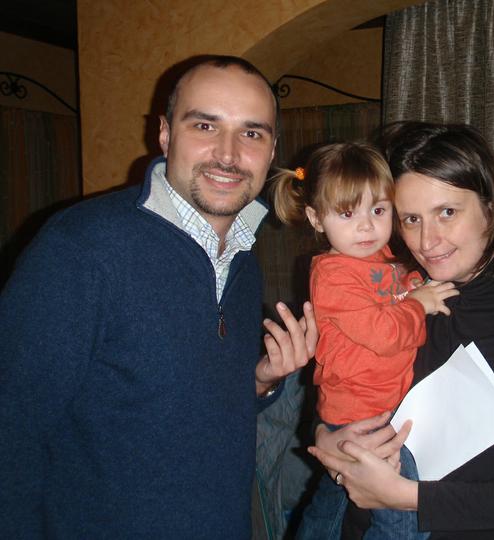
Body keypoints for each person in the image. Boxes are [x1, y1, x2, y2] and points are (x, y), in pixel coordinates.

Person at [0, 55, 317, 539]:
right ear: (166, 135)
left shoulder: (243, 259)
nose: (228, 154)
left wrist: (258, 382)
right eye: (205, 125)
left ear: (272, 150)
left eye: (251, 133)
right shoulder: (82, 249)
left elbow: (181, 412)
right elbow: (12, 432)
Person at [309, 122, 494, 540]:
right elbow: (343, 387)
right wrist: (323, 437)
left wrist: (409, 498)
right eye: (411, 219)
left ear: (491, 207)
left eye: (447, 212)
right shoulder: (399, 293)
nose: (428, 240)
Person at [271, 142, 458, 539]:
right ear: (316, 218)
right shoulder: (333, 274)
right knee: (402, 515)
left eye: (378, 210)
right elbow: (383, 333)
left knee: (334, 501)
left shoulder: (382, 256)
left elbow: (399, 288)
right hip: (362, 412)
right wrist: (419, 304)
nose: (366, 226)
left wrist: (418, 288)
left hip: (379, 404)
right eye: (347, 213)